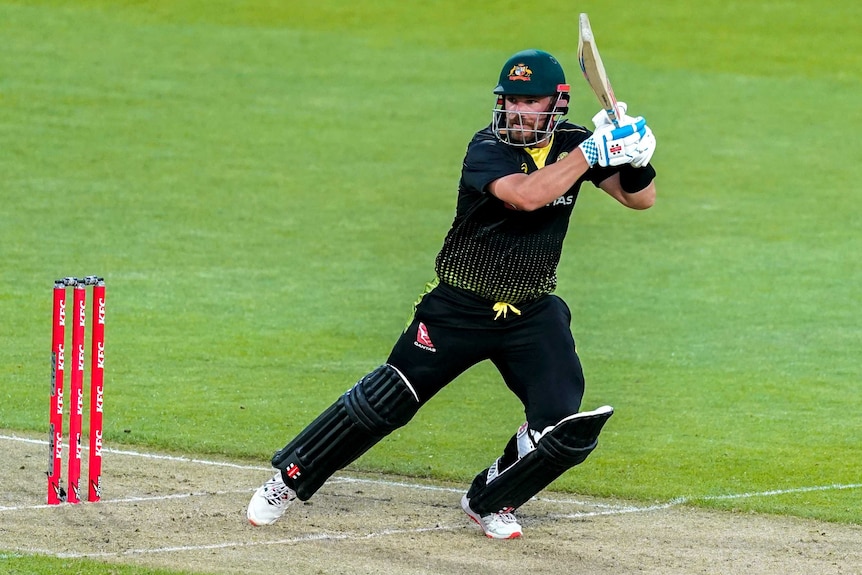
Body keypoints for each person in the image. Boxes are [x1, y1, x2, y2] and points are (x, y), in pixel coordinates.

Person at [247, 49, 657, 539]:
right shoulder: (488, 147)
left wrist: (636, 158)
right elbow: (527, 196)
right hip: (458, 306)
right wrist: (592, 152)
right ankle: (287, 481)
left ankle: (491, 498)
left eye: (530, 101)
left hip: (530, 310)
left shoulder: (572, 143)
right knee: (387, 402)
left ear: (556, 103)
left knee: (560, 426)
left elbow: (640, 200)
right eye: (510, 101)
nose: (517, 111)